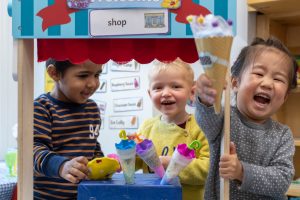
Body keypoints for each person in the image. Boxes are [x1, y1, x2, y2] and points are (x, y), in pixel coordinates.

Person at [195, 37, 298, 200]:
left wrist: (241, 171)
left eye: (278, 79)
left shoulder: (282, 135)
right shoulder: (224, 119)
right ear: (235, 83)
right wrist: (206, 98)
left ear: (284, 97)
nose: (267, 83)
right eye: (258, 73)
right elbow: (206, 118)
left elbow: (282, 180)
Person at [137, 58, 210, 200]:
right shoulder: (147, 127)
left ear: (192, 92)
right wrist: (120, 161)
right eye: (158, 87)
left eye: (176, 86)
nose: (166, 93)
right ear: (150, 94)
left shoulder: (202, 126)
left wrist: (173, 163)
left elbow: (208, 169)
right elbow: (137, 161)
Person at [33, 59, 104, 199]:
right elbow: (34, 151)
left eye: (97, 75)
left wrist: (103, 164)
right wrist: (62, 166)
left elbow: (92, 146)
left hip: (84, 195)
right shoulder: (42, 108)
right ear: (54, 73)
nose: (93, 84)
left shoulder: (92, 109)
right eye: (83, 76)